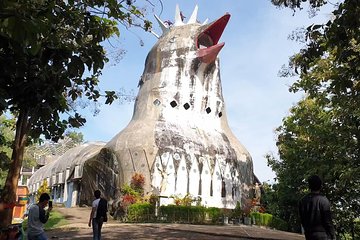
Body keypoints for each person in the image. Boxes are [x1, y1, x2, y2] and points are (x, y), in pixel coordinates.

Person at [299, 175, 336, 240]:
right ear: (320, 186)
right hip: (323, 235)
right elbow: (328, 221)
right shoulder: (324, 200)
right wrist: (333, 235)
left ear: (309, 186)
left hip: (309, 234)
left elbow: (302, 219)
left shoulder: (302, 201)